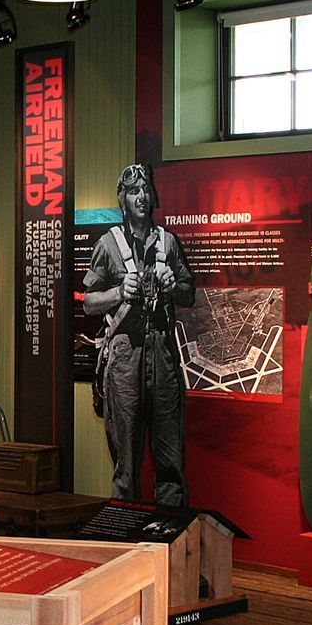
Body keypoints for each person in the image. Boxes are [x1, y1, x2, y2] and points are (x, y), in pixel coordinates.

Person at [83, 164, 195, 506]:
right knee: (126, 463)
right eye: (134, 192)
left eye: (146, 190)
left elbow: (189, 293)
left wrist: (174, 286)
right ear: (123, 199)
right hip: (124, 358)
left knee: (170, 459)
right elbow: (88, 302)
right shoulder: (108, 245)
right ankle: (127, 539)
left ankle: (170, 537)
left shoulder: (169, 243)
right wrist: (119, 292)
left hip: (162, 355)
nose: (142, 197)